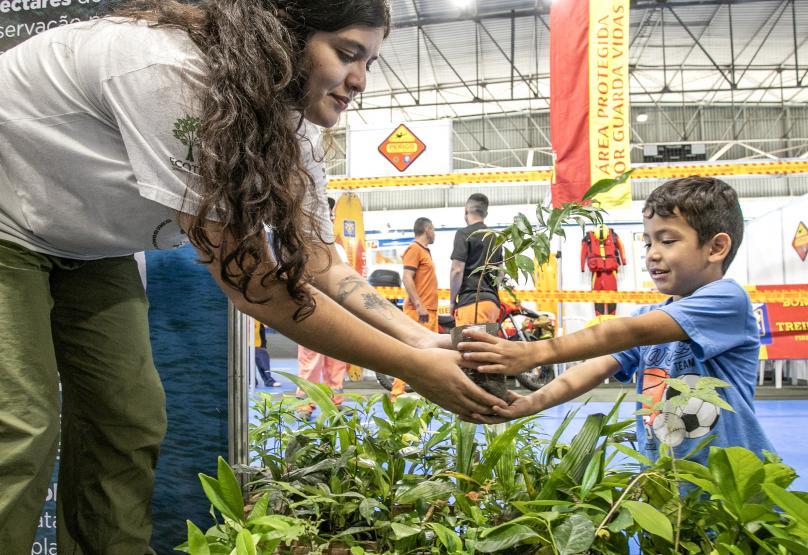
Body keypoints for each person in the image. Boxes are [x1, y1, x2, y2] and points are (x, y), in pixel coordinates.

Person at [0, 1, 505, 551]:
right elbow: (258, 288)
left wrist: (424, 338)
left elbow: (319, 262)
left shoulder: (294, 116)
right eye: (347, 53)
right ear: (284, 36)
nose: (359, 79)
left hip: (85, 245)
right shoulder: (175, 74)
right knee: (19, 428)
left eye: (370, 62)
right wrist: (415, 368)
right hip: (7, 221)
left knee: (127, 419)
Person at [459, 177, 775, 466]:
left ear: (716, 247)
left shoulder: (726, 301)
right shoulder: (648, 317)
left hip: (733, 491)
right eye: (649, 242)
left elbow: (627, 332)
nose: (652, 254)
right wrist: (531, 403)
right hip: (666, 487)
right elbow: (594, 367)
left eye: (667, 241)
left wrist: (533, 353)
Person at [297, 197, 350, 412]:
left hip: (336, 314)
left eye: (331, 214)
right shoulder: (300, 248)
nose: (330, 218)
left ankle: (335, 403)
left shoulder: (338, 249)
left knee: (336, 361)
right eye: (327, 214)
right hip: (310, 312)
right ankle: (304, 405)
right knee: (310, 361)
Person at [390, 217, 438, 397]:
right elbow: (407, 277)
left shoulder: (425, 251)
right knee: (411, 355)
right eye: (433, 229)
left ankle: (427, 396)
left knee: (428, 356)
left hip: (429, 311)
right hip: (420, 312)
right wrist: (419, 306)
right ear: (426, 229)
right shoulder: (414, 249)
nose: (434, 233)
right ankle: (396, 396)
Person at [450, 193, 504, 326]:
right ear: (485, 214)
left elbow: (457, 271)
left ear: (465, 210)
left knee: (469, 346)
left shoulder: (463, 234)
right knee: (486, 345)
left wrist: (452, 301)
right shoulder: (495, 237)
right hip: (492, 304)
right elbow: (501, 273)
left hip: (472, 303)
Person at [254, 319, 283, 387]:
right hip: (246, 343)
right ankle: (250, 381)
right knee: (247, 364)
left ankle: (269, 381)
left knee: (264, 363)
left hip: (259, 344)